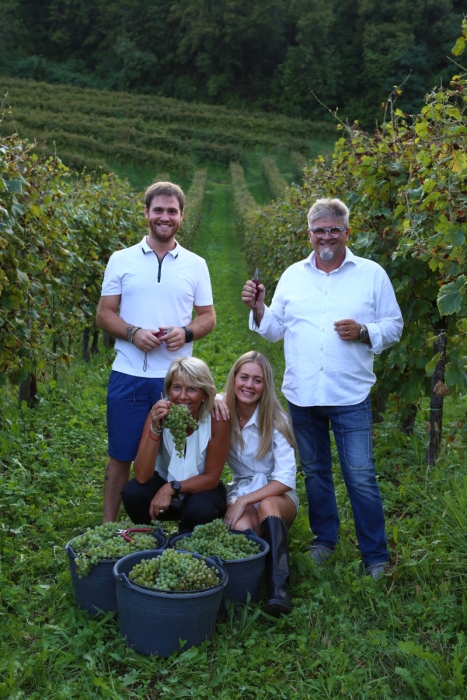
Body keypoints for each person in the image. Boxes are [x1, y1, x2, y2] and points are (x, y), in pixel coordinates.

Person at [242, 197, 403, 580]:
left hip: (350, 394)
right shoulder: (293, 276)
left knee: (360, 476)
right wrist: (260, 308)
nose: (326, 236)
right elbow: (275, 329)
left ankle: (375, 556)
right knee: (315, 472)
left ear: (347, 232)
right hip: (303, 394)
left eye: (333, 229)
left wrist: (364, 332)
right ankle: (324, 541)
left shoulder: (372, 274)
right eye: (319, 230)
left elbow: (394, 326)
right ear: (309, 234)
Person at [96, 181, 216, 522]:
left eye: (172, 211)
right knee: (121, 455)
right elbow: (104, 313)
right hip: (129, 374)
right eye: (158, 210)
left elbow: (208, 317)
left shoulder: (196, 264)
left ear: (182, 216)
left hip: (178, 381)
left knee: (180, 452)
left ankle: (177, 514)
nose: (165, 217)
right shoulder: (121, 260)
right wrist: (133, 333)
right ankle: (107, 527)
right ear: (147, 213)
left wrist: (186, 332)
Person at [217, 351, 298, 616]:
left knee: (266, 505)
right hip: (241, 486)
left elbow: (285, 479)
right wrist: (240, 498)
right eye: (244, 377)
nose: (249, 385)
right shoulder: (221, 410)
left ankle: (279, 590)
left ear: (266, 385)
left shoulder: (276, 419)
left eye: (257, 380)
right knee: (240, 526)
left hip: (277, 495)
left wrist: (244, 501)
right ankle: (249, 584)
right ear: (234, 378)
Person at [121, 357, 229, 530]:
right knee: (133, 493)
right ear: (169, 390)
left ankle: (188, 533)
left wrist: (171, 488)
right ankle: (150, 536)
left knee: (202, 510)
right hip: (163, 479)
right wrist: (155, 429)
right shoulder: (158, 414)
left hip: (201, 488)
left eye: (192, 389)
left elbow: (211, 479)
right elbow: (141, 475)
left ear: (204, 394)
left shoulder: (216, 419)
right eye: (177, 387)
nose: (183, 396)